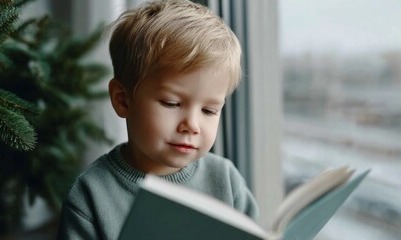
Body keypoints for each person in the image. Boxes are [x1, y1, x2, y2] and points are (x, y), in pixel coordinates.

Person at [57, 0, 259, 239]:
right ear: (123, 100)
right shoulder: (90, 195)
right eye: (172, 104)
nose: (192, 125)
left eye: (209, 111)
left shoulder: (226, 180)